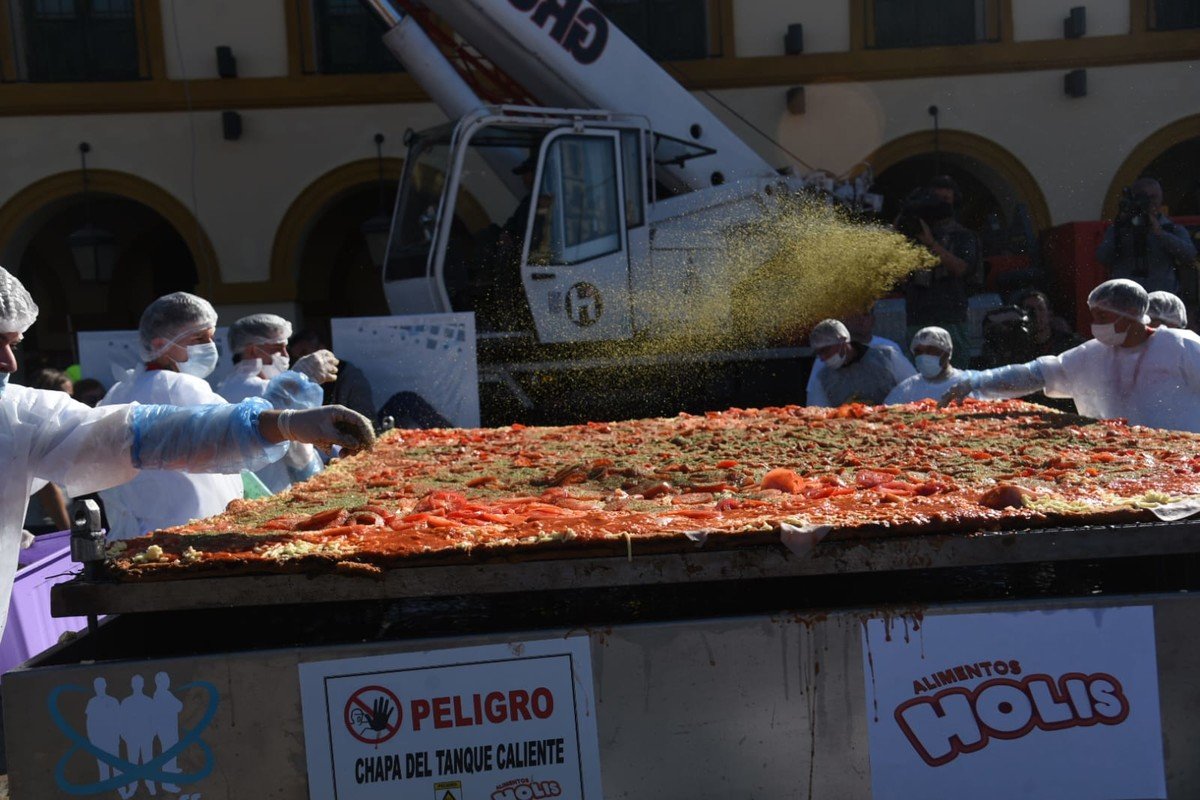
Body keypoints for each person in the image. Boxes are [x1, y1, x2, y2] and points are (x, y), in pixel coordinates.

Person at [0, 265, 374, 639]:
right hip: (181, 557)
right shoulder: (174, 387)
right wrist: (289, 414)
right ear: (165, 342)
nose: (10, 363)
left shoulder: (26, 412)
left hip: (149, 555)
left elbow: (157, 434)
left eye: (13, 345)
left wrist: (286, 424)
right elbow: (188, 432)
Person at [942, 279, 1200, 432]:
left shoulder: (1180, 345)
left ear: (1131, 312)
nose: (1095, 323)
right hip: (1122, 461)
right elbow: (1035, 375)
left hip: (1185, 459)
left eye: (1103, 316)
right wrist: (977, 382)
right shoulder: (1093, 354)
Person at [217, 314, 338, 492]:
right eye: (278, 347)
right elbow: (297, 441)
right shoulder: (260, 389)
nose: (285, 355)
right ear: (253, 350)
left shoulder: (224, 385)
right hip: (273, 488)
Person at [898, 175, 981, 368]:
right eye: (934, 199)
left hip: (951, 316)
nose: (939, 205)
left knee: (956, 372)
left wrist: (932, 244)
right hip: (918, 317)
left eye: (945, 200)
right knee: (919, 372)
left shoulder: (963, 236)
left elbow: (962, 268)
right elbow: (899, 276)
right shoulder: (913, 236)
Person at [1095, 178, 1197, 295]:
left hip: (1161, 297)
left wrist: (1161, 234)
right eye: (1143, 198)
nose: (1149, 202)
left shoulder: (1171, 228)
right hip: (1126, 297)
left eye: (1153, 197)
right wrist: (1121, 228)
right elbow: (1102, 257)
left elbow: (1190, 254)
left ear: (1161, 198)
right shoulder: (1119, 228)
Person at [806, 306, 915, 403]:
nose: (860, 319)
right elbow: (816, 403)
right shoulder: (824, 365)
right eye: (855, 315)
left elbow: (914, 386)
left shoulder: (888, 354)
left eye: (865, 314)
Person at [290, 328, 376, 420]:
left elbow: (364, 416)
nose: (301, 361)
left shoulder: (349, 376)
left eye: (304, 353)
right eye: (296, 358)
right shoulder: (297, 379)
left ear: (321, 349)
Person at [885, 327, 974, 404]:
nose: (924, 356)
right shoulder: (906, 389)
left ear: (946, 353)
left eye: (931, 350)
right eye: (919, 352)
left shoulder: (966, 384)